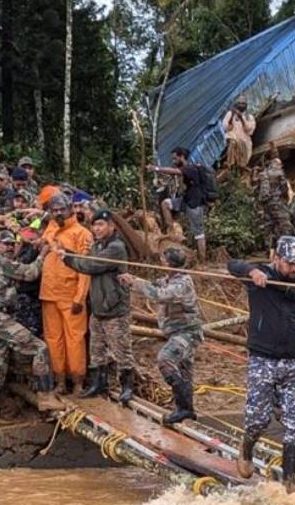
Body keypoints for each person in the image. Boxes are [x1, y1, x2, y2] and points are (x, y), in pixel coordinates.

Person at [228, 235, 295, 485]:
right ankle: (246, 450)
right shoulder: (261, 278)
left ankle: (288, 483)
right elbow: (233, 264)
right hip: (262, 360)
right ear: (277, 258)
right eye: (289, 263)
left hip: (291, 362)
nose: (294, 269)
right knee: (258, 419)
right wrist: (252, 272)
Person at [0, 230, 62, 424]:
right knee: (39, 348)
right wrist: (42, 254)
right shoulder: (1, 262)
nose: (9, 247)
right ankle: (46, 396)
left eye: (12, 244)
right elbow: (31, 273)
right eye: (5, 244)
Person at [119, 247, 201, 423]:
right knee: (185, 372)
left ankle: (183, 406)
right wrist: (134, 279)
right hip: (175, 332)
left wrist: (136, 284)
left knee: (165, 359)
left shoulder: (183, 283)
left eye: (163, 260)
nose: (161, 263)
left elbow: (160, 295)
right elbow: (154, 285)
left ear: (169, 263)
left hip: (187, 333)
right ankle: (186, 409)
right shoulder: (168, 279)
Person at [61, 209, 134, 404]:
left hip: (115, 309)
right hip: (98, 308)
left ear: (111, 226)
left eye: (101, 225)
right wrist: (69, 254)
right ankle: (98, 384)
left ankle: (127, 387)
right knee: (97, 350)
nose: (97, 229)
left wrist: (67, 258)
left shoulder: (116, 248)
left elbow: (91, 266)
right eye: (94, 225)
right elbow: (87, 261)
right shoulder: (96, 246)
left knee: (121, 350)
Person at [40, 195, 92, 394]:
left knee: (75, 339)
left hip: (71, 296)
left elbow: (85, 268)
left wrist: (80, 297)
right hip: (48, 293)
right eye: (54, 210)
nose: (58, 213)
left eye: (61, 209)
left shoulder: (82, 233)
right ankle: (60, 381)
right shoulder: (51, 228)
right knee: (53, 339)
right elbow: (44, 245)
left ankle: (78, 382)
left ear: (70, 209)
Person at [147, 148, 210, 262]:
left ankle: (203, 260)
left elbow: (174, 171)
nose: (173, 160)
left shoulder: (190, 168)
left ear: (182, 157)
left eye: (175, 158)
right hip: (185, 200)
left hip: (194, 204)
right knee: (165, 204)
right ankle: (171, 231)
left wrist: (156, 168)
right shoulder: (185, 169)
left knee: (199, 233)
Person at [254, 151, 292, 250]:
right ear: (277, 164)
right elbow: (284, 189)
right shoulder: (279, 173)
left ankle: (269, 249)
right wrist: (286, 198)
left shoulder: (263, 174)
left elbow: (257, 189)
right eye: (280, 164)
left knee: (268, 225)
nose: (281, 166)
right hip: (277, 202)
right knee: (284, 224)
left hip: (266, 203)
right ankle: (283, 248)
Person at [14, 226, 44, 337]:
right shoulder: (22, 251)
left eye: (34, 239)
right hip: (25, 295)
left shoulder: (36, 249)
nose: (33, 242)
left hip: (35, 295)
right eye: (30, 240)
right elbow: (29, 272)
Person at [222, 96, 256, 170]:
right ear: (236, 104)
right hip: (233, 137)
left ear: (246, 105)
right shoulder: (230, 114)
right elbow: (226, 126)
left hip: (244, 140)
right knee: (233, 142)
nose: (241, 105)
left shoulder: (249, 117)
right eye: (239, 103)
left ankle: (241, 166)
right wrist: (231, 119)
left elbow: (249, 130)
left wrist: (242, 119)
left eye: (243, 103)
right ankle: (230, 163)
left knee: (243, 158)